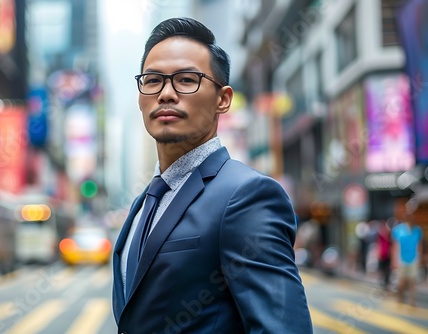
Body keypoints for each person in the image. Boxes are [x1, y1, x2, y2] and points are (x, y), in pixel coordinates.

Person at [111, 17, 313, 333]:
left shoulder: (248, 196)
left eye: (186, 79)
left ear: (223, 99)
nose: (165, 94)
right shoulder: (141, 204)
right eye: (152, 80)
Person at [392, 212, 423, 306]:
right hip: (401, 259)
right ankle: (400, 297)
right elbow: (395, 246)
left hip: (414, 258)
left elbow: (419, 245)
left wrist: (420, 258)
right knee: (402, 282)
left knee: (412, 281)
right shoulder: (398, 230)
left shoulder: (417, 230)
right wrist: (394, 260)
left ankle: (412, 301)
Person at [377, 219, 393, 291]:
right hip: (382, 254)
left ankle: (386, 282)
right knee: (382, 270)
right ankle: (383, 282)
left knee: (387, 270)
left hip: (388, 254)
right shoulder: (380, 234)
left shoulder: (389, 233)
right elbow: (379, 244)